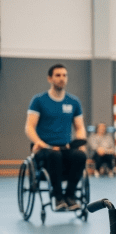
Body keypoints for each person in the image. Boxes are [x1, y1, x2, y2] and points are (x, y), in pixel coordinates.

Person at [24, 64, 88, 212]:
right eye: (58, 75)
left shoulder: (73, 102)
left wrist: (80, 142)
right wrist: (39, 142)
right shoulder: (39, 100)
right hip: (45, 149)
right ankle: (58, 198)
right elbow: (29, 127)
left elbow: (80, 128)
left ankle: (70, 196)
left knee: (80, 155)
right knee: (54, 155)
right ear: (50, 78)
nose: (62, 78)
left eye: (64, 75)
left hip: (65, 148)